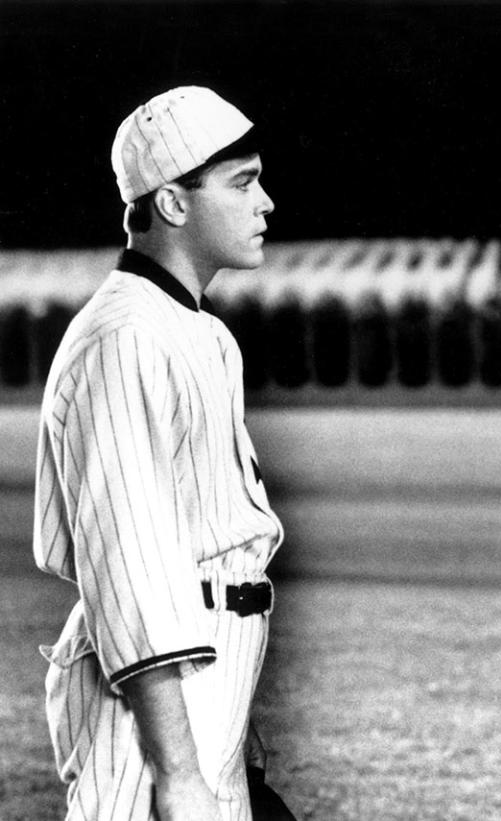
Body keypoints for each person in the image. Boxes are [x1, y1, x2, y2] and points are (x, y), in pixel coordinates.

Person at [34, 86, 287, 820]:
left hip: (206, 696)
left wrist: (235, 727)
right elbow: (131, 571)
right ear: (173, 203)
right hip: (149, 721)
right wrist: (179, 771)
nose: (265, 201)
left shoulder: (198, 331)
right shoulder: (125, 337)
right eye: (242, 183)